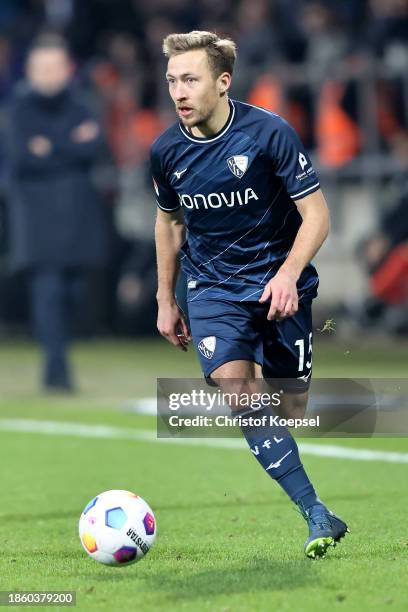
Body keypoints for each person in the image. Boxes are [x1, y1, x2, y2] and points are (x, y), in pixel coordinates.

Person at [151, 30, 348, 559]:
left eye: (190, 79)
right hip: (211, 287)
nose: (179, 92)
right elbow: (169, 223)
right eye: (172, 81)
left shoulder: (269, 133)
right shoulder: (167, 150)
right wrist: (166, 298)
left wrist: (287, 274)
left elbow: (318, 216)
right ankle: (316, 513)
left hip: (280, 286)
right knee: (240, 393)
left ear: (223, 82)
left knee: (290, 402)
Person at [8, 34, 108, 391]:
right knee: (47, 293)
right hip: (38, 222)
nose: (49, 74)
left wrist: (50, 147)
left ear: (67, 69)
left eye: (55, 67)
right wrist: (70, 145)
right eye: (42, 68)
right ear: (31, 71)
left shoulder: (83, 104)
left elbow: (95, 147)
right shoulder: (18, 111)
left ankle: (59, 361)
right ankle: (56, 372)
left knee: (75, 295)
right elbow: (23, 156)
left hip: (78, 218)